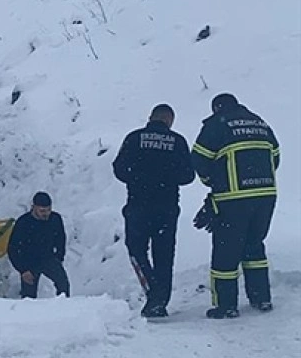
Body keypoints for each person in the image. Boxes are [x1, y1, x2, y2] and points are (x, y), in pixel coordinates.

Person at [191, 93, 281, 319]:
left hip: (233, 198)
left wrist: (214, 183)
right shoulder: (259, 122)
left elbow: (199, 160)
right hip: (266, 196)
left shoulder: (217, 125)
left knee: (226, 250)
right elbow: (275, 157)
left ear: (217, 108)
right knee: (254, 246)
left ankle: (226, 305)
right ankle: (261, 298)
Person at [112, 103, 196, 318]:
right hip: (166, 207)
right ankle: (160, 301)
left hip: (138, 205)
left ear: (151, 117)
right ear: (170, 120)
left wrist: (139, 176)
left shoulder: (134, 138)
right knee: (164, 255)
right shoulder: (178, 142)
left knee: (135, 249)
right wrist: (166, 177)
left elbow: (119, 169)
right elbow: (188, 175)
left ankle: (153, 293)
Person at [8, 192, 70, 298]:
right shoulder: (23, 222)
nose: (46, 213)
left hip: (48, 258)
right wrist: (23, 270)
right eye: (42, 211)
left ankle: (62, 308)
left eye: (48, 210)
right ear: (34, 208)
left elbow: (61, 240)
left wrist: (59, 258)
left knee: (63, 285)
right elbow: (12, 249)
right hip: (28, 262)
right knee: (28, 297)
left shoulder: (55, 219)